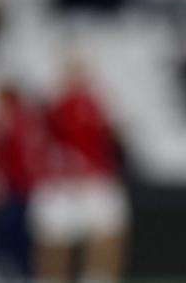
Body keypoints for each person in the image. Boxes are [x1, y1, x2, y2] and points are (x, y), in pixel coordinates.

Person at [28, 59, 128, 283]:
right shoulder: (53, 107)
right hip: (61, 184)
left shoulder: (95, 104)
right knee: (54, 246)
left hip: (92, 180)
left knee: (106, 237)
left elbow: (108, 143)